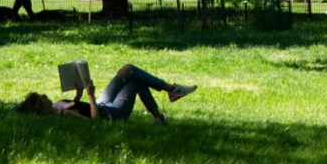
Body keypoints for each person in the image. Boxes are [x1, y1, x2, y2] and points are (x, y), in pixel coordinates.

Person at [13, 64, 198, 125]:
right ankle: (171, 93)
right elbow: (95, 122)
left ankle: (165, 106)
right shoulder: (63, 114)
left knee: (127, 70)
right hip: (111, 112)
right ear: (41, 107)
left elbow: (78, 104)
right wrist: (91, 96)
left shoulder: (57, 106)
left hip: (102, 103)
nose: (46, 96)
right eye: (42, 98)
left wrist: (78, 95)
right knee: (135, 81)